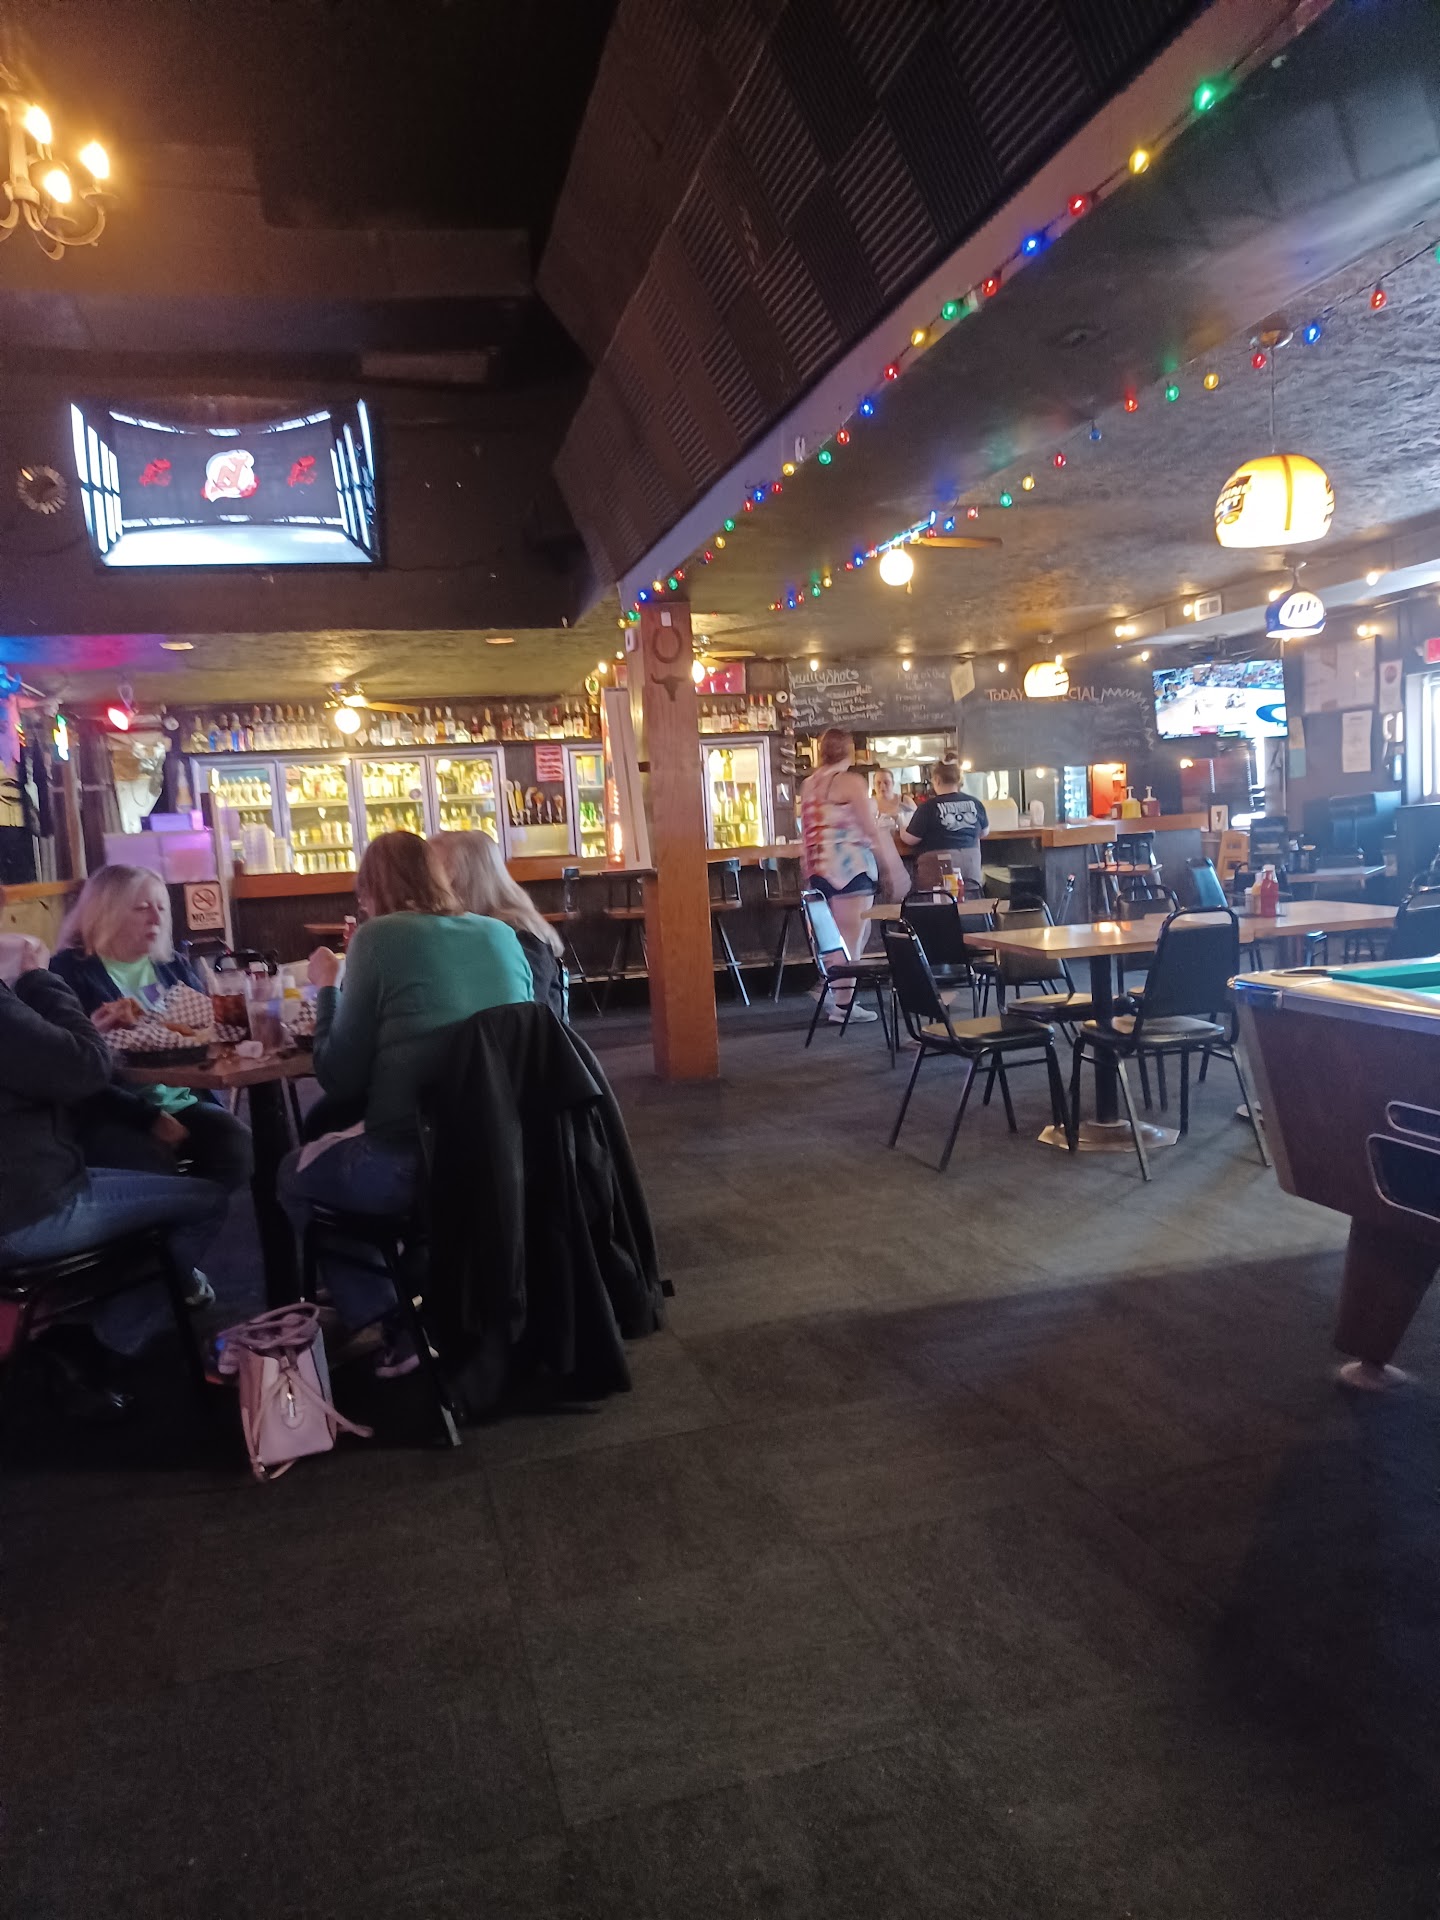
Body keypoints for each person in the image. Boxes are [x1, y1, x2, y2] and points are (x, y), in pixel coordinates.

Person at [278, 830, 535, 1375]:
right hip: (505, 1158)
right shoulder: (501, 933)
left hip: (411, 1164)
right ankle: (399, 1283)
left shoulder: (378, 938)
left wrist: (328, 987)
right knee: (332, 1138)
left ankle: (389, 1315)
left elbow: (339, 1078)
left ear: (370, 892)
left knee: (290, 1173)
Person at [0, 950, 228, 1413]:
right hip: (29, 1211)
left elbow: (44, 1064)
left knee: (155, 1172)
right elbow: (85, 1067)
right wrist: (36, 977)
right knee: (207, 1200)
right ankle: (104, 1342)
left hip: (30, 1193)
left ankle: (85, 1319)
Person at [800, 729, 908, 1022]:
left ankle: (832, 990)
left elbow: (807, 832)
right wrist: (893, 868)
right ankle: (843, 1006)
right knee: (851, 938)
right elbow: (870, 830)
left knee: (836, 938)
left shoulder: (809, 784)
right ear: (850, 751)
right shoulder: (850, 782)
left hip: (818, 870)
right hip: (850, 870)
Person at [429, 829, 566, 1019]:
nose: (425, 884)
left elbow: (524, 1019)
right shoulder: (472, 928)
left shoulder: (519, 936)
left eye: (432, 873)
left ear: (461, 879)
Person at [900, 755, 989, 892]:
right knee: (970, 899)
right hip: (971, 865)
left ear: (937, 779)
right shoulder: (975, 803)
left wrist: (902, 829)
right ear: (958, 779)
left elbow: (911, 839)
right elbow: (984, 832)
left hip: (939, 868)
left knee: (938, 901)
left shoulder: (928, 807)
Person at [871, 766, 915, 844]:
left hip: (904, 845)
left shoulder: (905, 800)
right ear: (874, 785)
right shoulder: (868, 803)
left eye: (886, 782)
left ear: (893, 783)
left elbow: (918, 824)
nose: (882, 786)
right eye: (878, 783)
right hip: (878, 845)